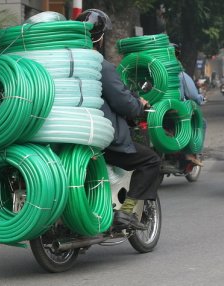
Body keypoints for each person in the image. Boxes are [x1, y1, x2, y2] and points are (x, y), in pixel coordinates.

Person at [76, 9, 162, 230]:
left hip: (70, 138)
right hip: (101, 139)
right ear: (100, 37)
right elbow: (124, 102)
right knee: (150, 160)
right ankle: (126, 212)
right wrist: (138, 105)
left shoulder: (65, 65)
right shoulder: (100, 65)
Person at [172, 43, 205, 166]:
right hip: (176, 111)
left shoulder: (150, 72)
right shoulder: (179, 74)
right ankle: (191, 153)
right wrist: (200, 98)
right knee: (201, 122)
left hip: (151, 110)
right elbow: (192, 95)